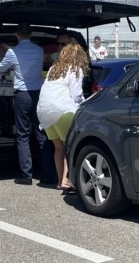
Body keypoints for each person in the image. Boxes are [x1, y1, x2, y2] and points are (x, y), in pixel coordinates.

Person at [0, 23, 45, 185]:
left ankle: (26, 175)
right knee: (41, 134)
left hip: (22, 96)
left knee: (23, 136)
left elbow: (0, 69)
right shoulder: (39, 50)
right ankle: (49, 173)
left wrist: (4, 52)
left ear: (17, 35)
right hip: (38, 94)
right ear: (30, 34)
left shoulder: (12, 52)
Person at [37, 41, 89, 191]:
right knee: (69, 147)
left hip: (44, 111)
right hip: (62, 110)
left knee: (58, 148)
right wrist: (85, 105)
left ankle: (60, 181)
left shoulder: (54, 68)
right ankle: (66, 181)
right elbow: (77, 94)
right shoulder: (75, 69)